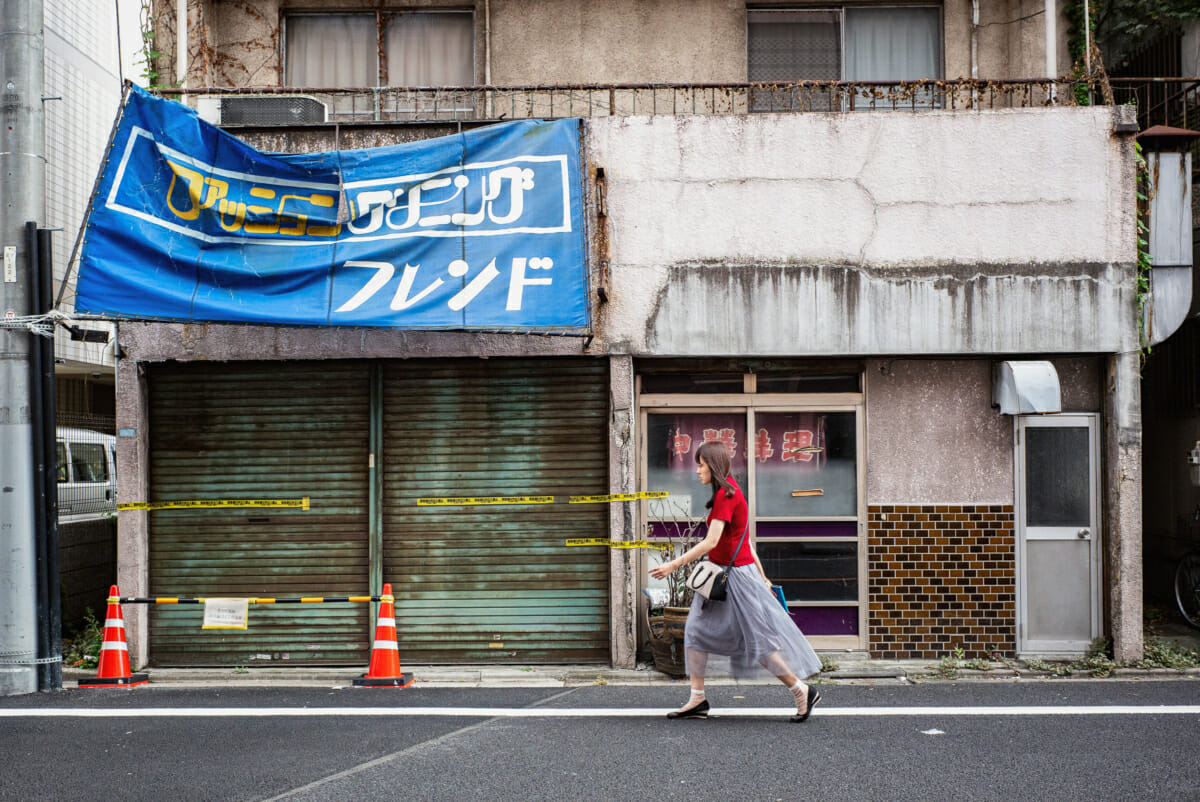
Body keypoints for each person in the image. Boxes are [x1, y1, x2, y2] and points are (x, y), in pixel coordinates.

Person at [649, 440, 823, 721]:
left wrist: (674, 564)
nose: (697, 470)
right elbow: (747, 542)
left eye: (701, 464)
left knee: (759, 642)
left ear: (713, 466)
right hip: (721, 577)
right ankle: (697, 699)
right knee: (695, 631)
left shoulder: (727, 495)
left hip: (736, 579)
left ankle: (801, 689)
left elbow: (713, 540)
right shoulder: (726, 492)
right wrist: (763, 577)